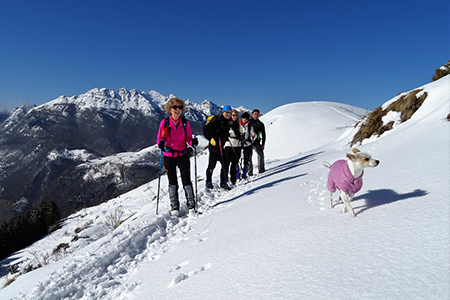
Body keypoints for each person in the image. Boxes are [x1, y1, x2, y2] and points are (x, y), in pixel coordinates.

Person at [156, 97, 198, 216]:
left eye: (180, 107)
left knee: (186, 179)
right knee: (172, 180)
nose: (177, 109)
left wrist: (192, 143)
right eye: (175, 107)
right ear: (169, 109)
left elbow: (189, 138)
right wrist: (161, 143)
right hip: (169, 155)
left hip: (183, 154)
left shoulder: (185, 123)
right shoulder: (164, 123)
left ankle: (191, 204)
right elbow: (159, 138)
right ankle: (175, 206)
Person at [203, 105, 233, 190]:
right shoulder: (217, 120)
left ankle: (223, 182)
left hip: (221, 146)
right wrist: (211, 138)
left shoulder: (227, 122)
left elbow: (222, 132)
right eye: (227, 112)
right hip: (213, 147)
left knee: (225, 162)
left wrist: (226, 136)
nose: (228, 114)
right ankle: (208, 182)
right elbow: (205, 129)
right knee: (212, 165)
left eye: (229, 113)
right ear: (223, 112)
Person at [224, 110, 241, 186]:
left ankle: (233, 179)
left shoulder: (238, 125)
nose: (234, 117)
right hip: (228, 145)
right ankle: (225, 179)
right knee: (227, 163)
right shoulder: (228, 123)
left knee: (234, 163)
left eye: (236, 116)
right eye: (233, 115)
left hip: (237, 145)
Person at [248, 109, 266, 176]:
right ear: (252, 114)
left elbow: (264, 134)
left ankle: (261, 170)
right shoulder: (248, 122)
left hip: (257, 142)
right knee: (249, 157)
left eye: (257, 114)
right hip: (248, 142)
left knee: (260, 155)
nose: (256, 115)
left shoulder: (261, 124)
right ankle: (250, 173)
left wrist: (263, 144)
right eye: (255, 114)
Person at [237, 111, 253, 180]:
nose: (244, 119)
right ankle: (237, 174)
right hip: (239, 144)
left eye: (246, 118)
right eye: (243, 118)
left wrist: (249, 139)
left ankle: (244, 174)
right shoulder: (238, 125)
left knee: (246, 160)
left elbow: (253, 135)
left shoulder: (250, 126)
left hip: (247, 144)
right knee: (237, 159)